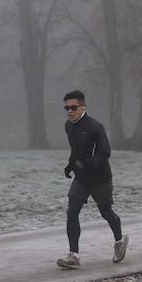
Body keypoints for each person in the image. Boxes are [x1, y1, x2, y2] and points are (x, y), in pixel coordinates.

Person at [57, 90, 128, 269]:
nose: (69, 111)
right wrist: (70, 165)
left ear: (83, 107)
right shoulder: (69, 126)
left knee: (106, 212)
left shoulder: (95, 127)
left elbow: (105, 153)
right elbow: (76, 150)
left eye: (73, 107)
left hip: (100, 178)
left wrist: (87, 164)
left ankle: (120, 241)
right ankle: (74, 255)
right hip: (81, 179)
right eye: (66, 107)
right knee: (72, 212)